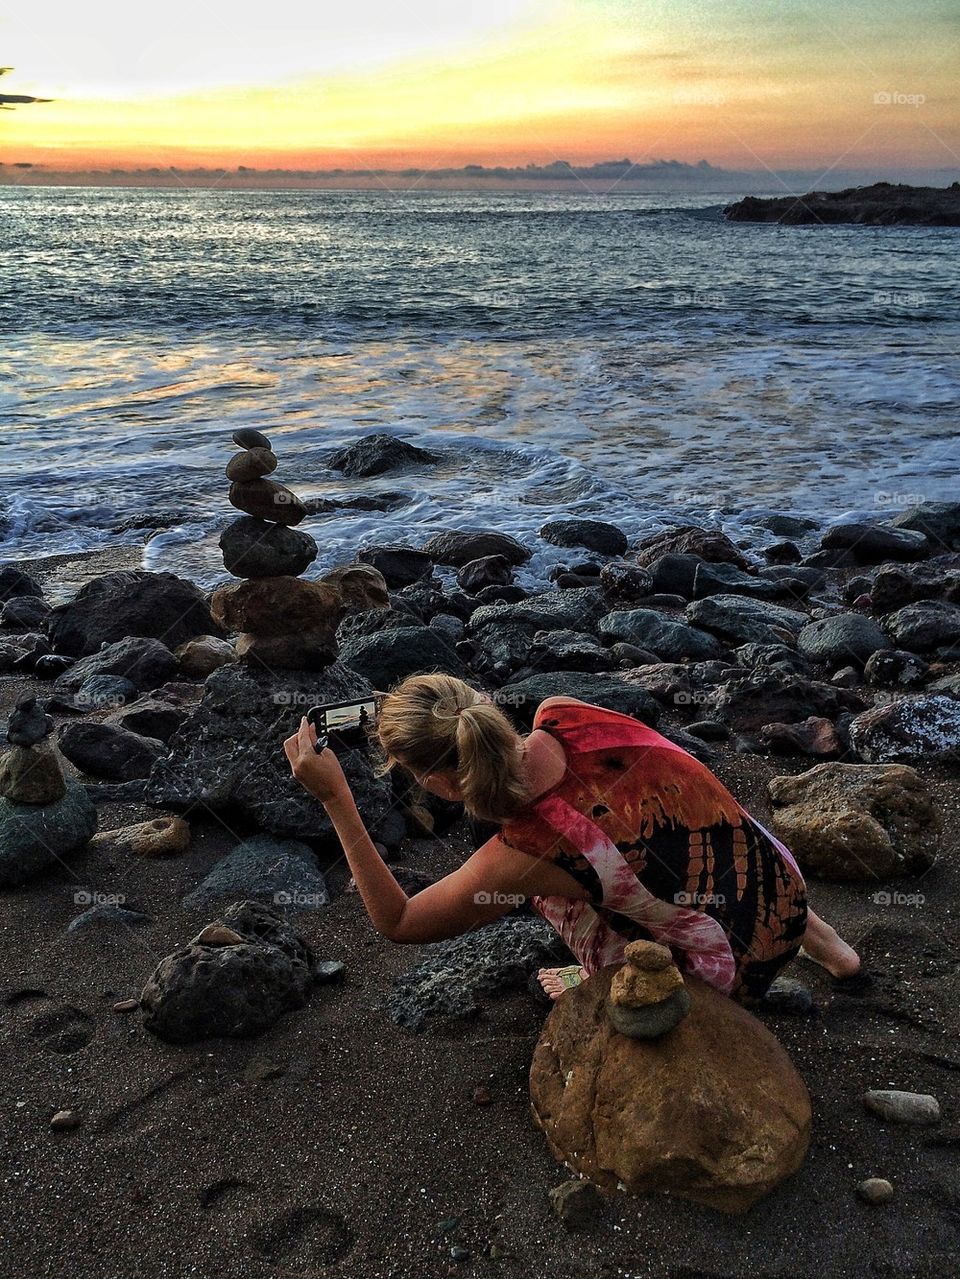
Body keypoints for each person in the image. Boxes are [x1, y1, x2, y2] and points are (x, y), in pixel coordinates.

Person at [283, 673, 860, 1004]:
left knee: (561, 888)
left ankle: (609, 972)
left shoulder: (530, 852)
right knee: (687, 833)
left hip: (729, 968)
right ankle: (834, 951)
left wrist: (336, 800)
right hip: (779, 882)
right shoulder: (561, 711)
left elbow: (400, 922)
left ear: (440, 785)